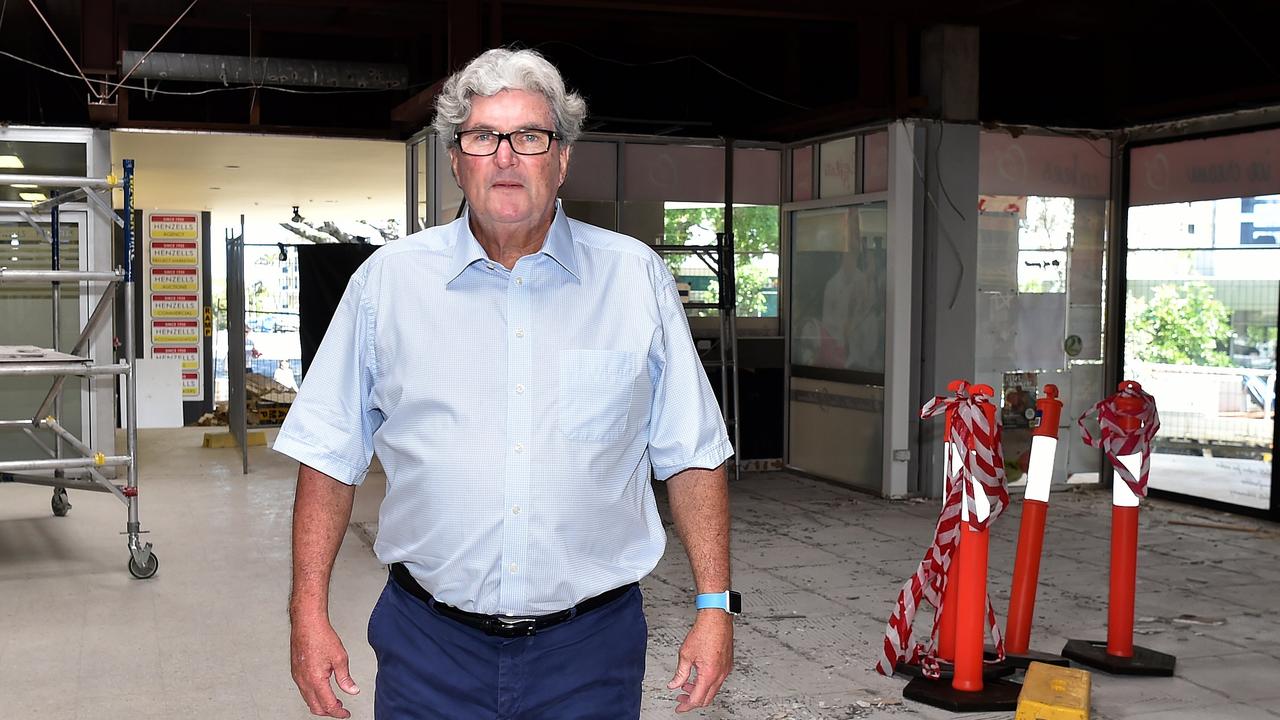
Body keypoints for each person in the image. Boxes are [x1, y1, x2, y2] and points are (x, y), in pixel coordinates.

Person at [274, 48, 736, 720]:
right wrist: (306, 614)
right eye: (483, 137)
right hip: (429, 648)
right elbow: (329, 453)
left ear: (562, 158)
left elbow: (692, 452)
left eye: (529, 136)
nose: (506, 157)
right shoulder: (388, 284)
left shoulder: (634, 281)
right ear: (456, 160)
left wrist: (715, 606)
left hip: (590, 652)